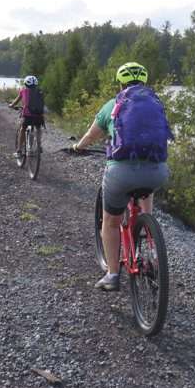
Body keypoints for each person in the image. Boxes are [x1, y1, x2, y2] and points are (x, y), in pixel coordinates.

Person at [72, 62, 172, 291]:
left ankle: (112, 274)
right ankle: (148, 228)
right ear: (145, 83)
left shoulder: (113, 105)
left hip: (121, 172)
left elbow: (91, 134)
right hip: (157, 171)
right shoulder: (157, 104)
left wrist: (79, 147)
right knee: (145, 188)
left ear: (120, 83)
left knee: (110, 221)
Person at [9, 75, 45, 158]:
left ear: (25, 84)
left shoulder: (23, 91)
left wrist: (11, 105)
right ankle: (39, 146)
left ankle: (19, 151)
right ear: (36, 85)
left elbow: (15, 102)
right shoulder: (40, 92)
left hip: (28, 116)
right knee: (38, 128)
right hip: (39, 116)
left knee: (23, 129)